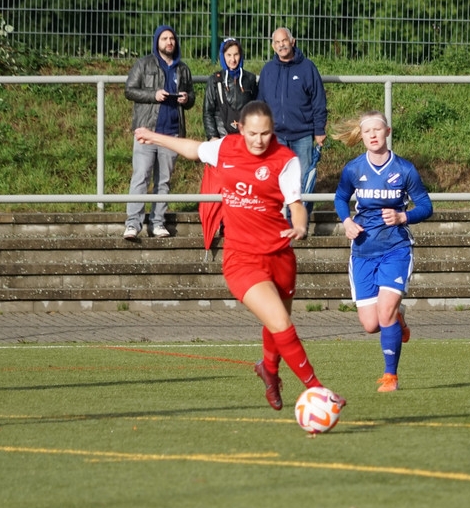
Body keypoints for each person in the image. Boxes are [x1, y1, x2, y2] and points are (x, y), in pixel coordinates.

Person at [133, 100, 344, 412]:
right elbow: (193, 149)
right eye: (253, 133)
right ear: (240, 128)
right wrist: (154, 137)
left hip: (280, 255)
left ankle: (268, 371)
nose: (259, 140)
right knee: (281, 322)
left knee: (277, 322)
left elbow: (296, 204)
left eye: (266, 134)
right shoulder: (226, 148)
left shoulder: (285, 160)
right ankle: (318, 390)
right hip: (241, 258)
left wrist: (300, 225)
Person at [333, 111, 433, 392]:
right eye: (368, 131)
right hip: (363, 251)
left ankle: (391, 377)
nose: (373, 135)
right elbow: (340, 197)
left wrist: (403, 217)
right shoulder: (354, 169)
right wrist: (347, 221)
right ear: (362, 136)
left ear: (387, 132)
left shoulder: (404, 169)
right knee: (371, 324)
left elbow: (426, 206)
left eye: (378, 130)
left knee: (385, 313)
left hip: (395, 249)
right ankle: (398, 316)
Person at [123, 25, 195, 240]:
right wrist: (153, 95)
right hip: (147, 130)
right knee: (141, 177)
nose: (169, 42)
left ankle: (157, 223)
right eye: (164, 38)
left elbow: (191, 97)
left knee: (163, 181)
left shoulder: (183, 69)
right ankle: (133, 223)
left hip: (171, 133)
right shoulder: (144, 64)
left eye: (171, 38)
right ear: (157, 42)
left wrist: (186, 99)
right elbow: (129, 90)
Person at [256, 27, 327, 198]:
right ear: (273, 46)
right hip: (276, 136)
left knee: (303, 182)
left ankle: (303, 215)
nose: (281, 45)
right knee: (277, 181)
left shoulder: (307, 67)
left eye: (284, 41)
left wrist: (319, 130)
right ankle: (282, 216)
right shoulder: (268, 70)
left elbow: (318, 100)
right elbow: (261, 103)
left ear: (292, 41)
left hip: (302, 136)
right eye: (277, 42)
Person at [202, 37, 258, 141]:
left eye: (236, 54)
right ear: (223, 56)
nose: (233, 59)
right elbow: (208, 112)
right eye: (229, 55)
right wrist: (212, 136)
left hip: (244, 138)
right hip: (221, 137)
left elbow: (256, 109)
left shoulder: (250, 79)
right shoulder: (215, 80)